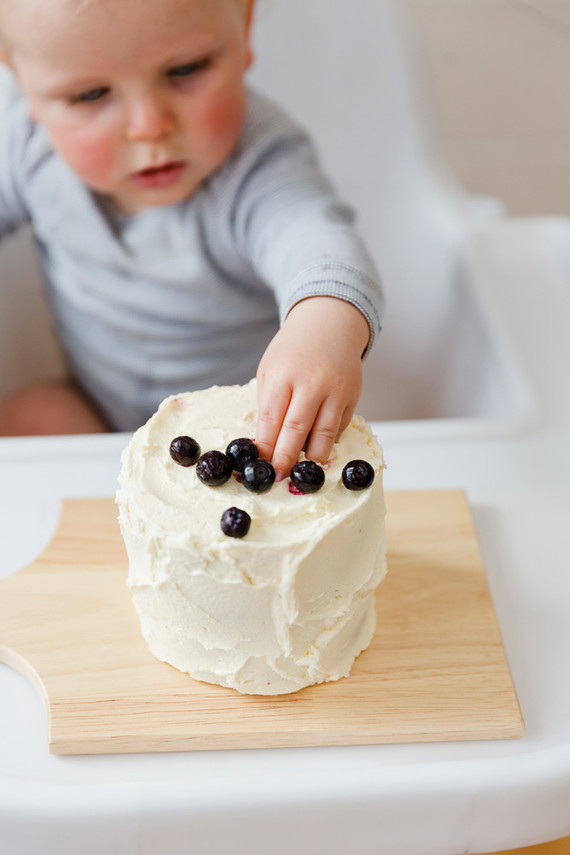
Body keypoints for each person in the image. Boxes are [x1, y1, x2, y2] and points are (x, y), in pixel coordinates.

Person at [0, 0, 383, 479]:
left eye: (185, 69)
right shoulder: (28, 148)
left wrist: (322, 330)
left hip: (238, 440)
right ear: (22, 82)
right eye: (91, 94)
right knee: (31, 417)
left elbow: (317, 243)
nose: (150, 125)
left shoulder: (258, 166)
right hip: (99, 411)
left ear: (243, 29)